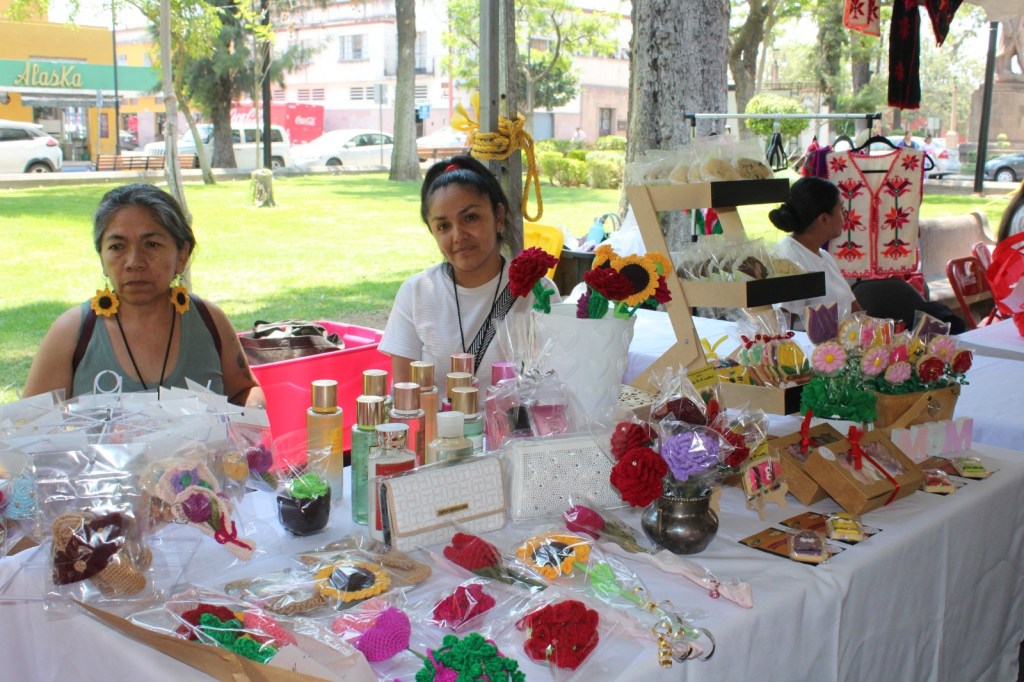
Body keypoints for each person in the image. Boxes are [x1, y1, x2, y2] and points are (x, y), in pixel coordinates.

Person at [23, 183, 264, 406]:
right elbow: (30, 424)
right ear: (102, 259)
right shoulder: (72, 332)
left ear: (182, 255)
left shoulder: (208, 320)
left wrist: (250, 414)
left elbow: (244, 392)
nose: (134, 262)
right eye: (117, 247)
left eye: (152, 244)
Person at [379, 155, 560, 391]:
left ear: (498, 217)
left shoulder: (538, 293)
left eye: (470, 218)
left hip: (519, 417)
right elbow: (404, 395)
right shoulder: (416, 293)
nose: (458, 236)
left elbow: (557, 384)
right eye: (444, 226)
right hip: (434, 417)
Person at [769, 176, 966, 333]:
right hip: (821, 358)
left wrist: (883, 335)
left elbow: (855, 310)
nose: (845, 216)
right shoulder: (788, 259)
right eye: (841, 210)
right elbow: (784, 325)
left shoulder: (822, 255)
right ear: (823, 219)